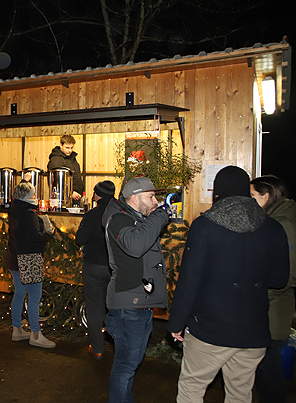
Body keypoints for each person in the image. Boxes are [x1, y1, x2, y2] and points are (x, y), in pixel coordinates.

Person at [167, 166, 289, 403]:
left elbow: (190, 280)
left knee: (192, 387)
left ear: (217, 193)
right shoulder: (273, 227)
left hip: (210, 330)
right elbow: (279, 279)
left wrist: (176, 322)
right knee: (240, 393)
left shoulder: (205, 226)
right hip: (253, 331)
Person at [102, 176, 170, 403]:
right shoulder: (118, 219)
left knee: (131, 364)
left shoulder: (135, 218)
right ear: (134, 198)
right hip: (127, 306)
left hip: (139, 304)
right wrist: (160, 215)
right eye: (151, 197)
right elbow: (135, 245)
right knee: (126, 365)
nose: (156, 201)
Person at [251, 175, 296, 403]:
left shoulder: (283, 224)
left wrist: (256, 289)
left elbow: (288, 275)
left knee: (269, 368)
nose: (249, 201)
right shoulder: (271, 219)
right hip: (267, 308)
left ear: (266, 196)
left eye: (252, 196)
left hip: (274, 310)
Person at [5, 180, 55, 348]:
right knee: (34, 297)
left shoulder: (14, 210)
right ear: (27, 196)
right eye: (33, 194)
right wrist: (49, 233)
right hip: (29, 260)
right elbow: (35, 237)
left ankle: (17, 330)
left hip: (13, 258)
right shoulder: (29, 213)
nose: (35, 196)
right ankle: (36, 334)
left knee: (19, 294)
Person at [75, 180, 116, 361]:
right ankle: (118, 345)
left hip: (93, 266)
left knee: (93, 307)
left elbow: (80, 239)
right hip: (114, 268)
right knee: (112, 307)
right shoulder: (119, 213)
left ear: (98, 195)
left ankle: (97, 349)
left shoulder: (92, 214)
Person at [47, 134, 84, 204]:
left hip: (77, 197)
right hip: (63, 200)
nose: (70, 150)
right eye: (67, 148)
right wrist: (70, 193)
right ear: (61, 145)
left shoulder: (73, 158)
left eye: (72, 148)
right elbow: (55, 182)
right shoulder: (56, 160)